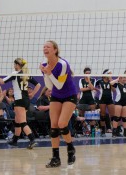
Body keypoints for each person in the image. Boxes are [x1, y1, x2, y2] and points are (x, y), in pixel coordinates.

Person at [40, 40, 77, 168]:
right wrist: (46, 73)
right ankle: (56, 158)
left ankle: (70, 149)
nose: (45, 48)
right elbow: (49, 86)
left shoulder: (63, 64)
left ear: (55, 50)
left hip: (69, 95)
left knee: (62, 124)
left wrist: (49, 73)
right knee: (54, 127)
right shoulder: (45, 64)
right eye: (44, 47)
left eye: (48, 47)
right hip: (56, 95)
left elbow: (59, 85)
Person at [0, 58, 40, 149]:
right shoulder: (26, 74)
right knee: (17, 121)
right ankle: (14, 140)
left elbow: (2, 81)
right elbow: (38, 85)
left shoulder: (15, 74)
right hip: (25, 100)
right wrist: (32, 94)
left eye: (14, 64)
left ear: (17, 65)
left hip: (19, 100)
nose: (14, 66)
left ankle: (32, 139)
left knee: (22, 122)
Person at [95, 69, 115, 137]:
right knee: (102, 115)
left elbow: (114, 90)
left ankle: (114, 131)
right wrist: (97, 90)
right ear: (106, 74)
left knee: (112, 115)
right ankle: (103, 131)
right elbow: (93, 87)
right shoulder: (99, 81)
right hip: (102, 100)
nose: (111, 75)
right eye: (109, 73)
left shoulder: (112, 81)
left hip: (110, 99)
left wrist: (111, 81)